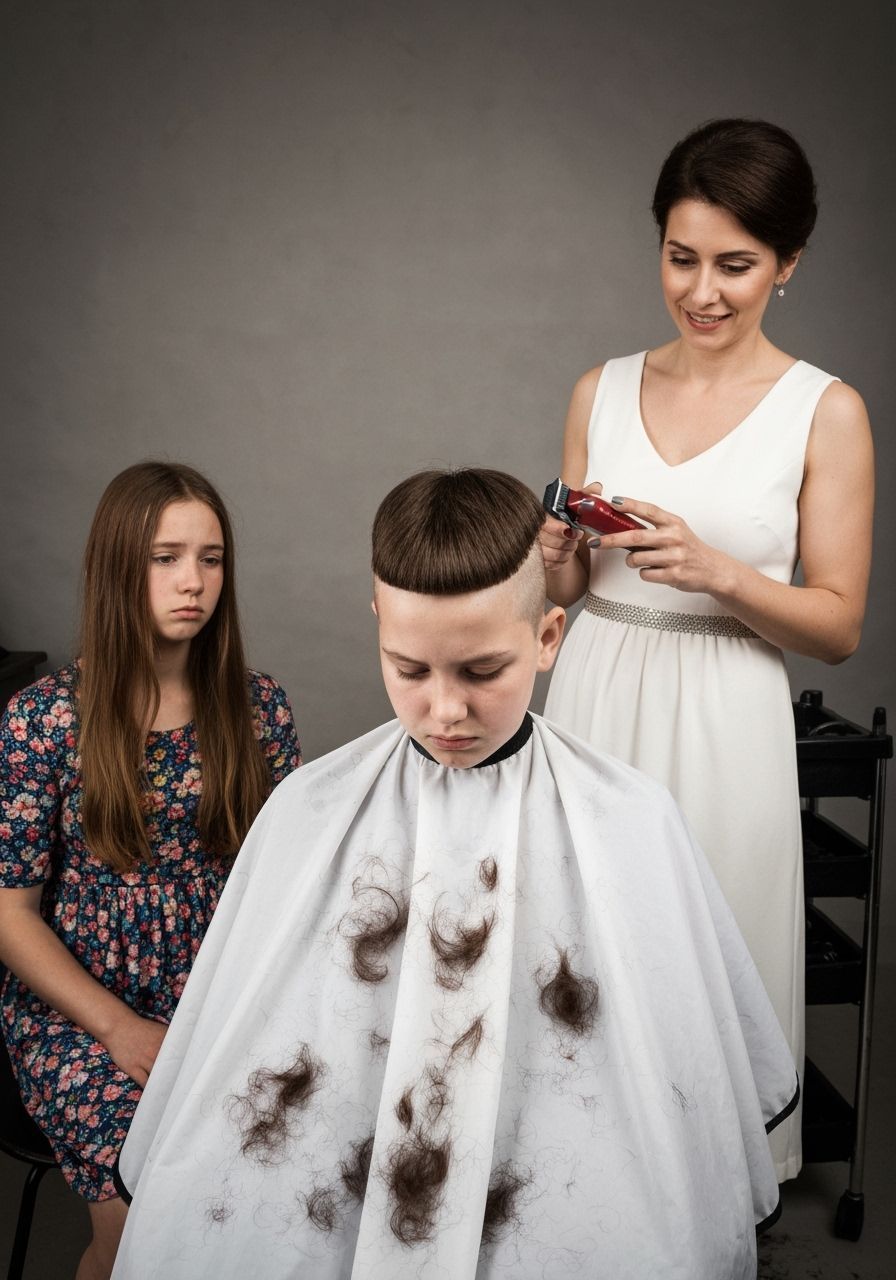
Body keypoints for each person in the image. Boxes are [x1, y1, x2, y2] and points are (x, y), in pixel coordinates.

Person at [112, 468, 796, 1280]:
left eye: (480, 672)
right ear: (378, 626)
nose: (445, 712)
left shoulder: (634, 815)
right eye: (409, 670)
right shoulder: (310, 808)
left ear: (548, 638)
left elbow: (679, 1063)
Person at [540, 118, 874, 1182]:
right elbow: (564, 593)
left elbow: (836, 625)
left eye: (734, 265)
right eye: (679, 258)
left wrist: (719, 568)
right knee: (577, 952)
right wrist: (552, 554)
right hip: (595, 690)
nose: (702, 290)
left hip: (726, 707)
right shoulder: (599, 387)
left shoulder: (825, 412)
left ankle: (703, 1205)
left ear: (787, 263)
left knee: (703, 960)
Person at [0, 461, 301, 1280]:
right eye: (166, 557)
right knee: (145, 1225)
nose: (192, 582)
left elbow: (284, 889)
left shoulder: (258, 708)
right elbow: (10, 914)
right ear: (116, 567)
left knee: (271, 1197)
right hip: (79, 1009)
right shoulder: (44, 719)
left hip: (217, 997)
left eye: (210, 559)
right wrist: (116, 1028)